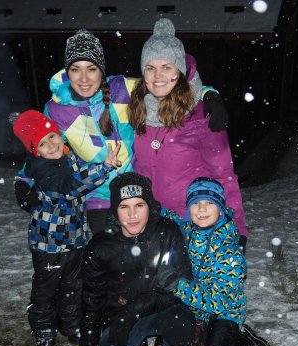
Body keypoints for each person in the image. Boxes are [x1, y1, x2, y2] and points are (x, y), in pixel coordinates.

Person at [41, 28, 228, 234]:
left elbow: (165, 84)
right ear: (67, 72)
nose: (84, 78)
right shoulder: (56, 109)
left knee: (140, 250)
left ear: (102, 70)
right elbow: (42, 148)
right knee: (106, 248)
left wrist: (208, 94)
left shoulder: (123, 89)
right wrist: (25, 180)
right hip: (98, 196)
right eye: (76, 69)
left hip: (136, 192)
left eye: (91, 69)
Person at [64, 172, 197, 346]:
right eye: (124, 207)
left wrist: (133, 312)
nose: (132, 214)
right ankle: (136, 344)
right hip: (119, 319)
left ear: (150, 206)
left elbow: (181, 285)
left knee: (183, 318)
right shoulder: (101, 246)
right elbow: (92, 302)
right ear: (115, 210)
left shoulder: (167, 232)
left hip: (160, 310)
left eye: (139, 205)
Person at [162, 177, 271, 346]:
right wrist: (150, 208)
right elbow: (170, 218)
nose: (201, 209)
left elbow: (217, 301)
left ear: (220, 209)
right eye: (195, 203)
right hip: (198, 312)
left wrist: (177, 286)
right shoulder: (188, 229)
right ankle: (248, 343)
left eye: (209, 203)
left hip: (225, 312)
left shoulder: (229, 252)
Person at [128, 19, 249, 245]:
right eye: (150, 68)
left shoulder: (201, 115)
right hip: (151, 223)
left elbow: (224, 175)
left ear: (180, 71)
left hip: (193, 225)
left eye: (167, 67)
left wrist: (237, 229)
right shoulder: (137, 109)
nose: (158, 76)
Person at [12, 109, 118, 346]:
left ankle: (71, 324)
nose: (51, 145)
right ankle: (43, 326)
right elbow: (70, 186)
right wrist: (102, 168)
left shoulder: (68, 156)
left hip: (75, 238)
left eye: (52, 136)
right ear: (35, 152)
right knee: (46, 287)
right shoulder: (43, 170)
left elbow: (79, 170)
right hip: (49, 244)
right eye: (42, 143)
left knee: (74, 285)